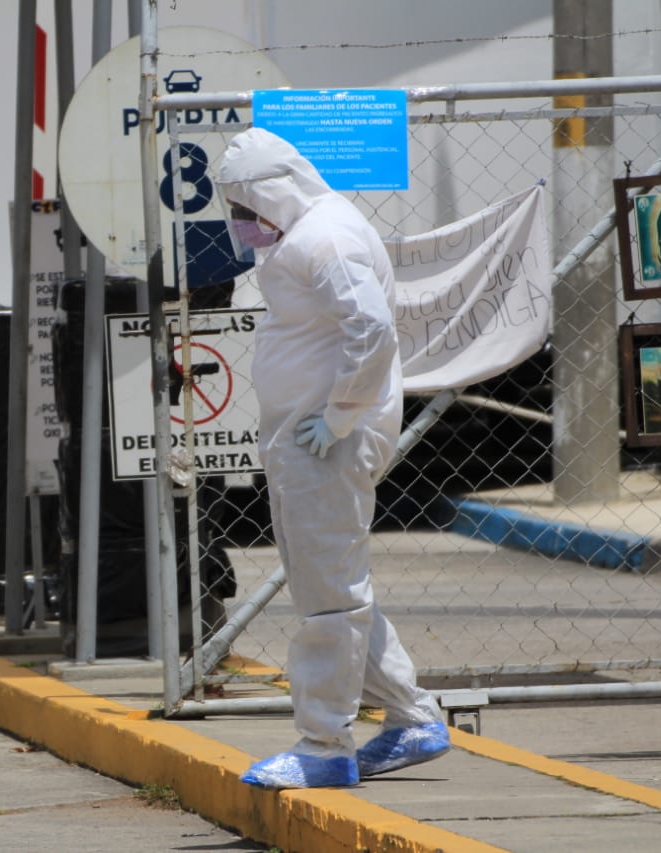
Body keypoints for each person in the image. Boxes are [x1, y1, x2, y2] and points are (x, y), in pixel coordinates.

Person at [216, 127, 449, 789]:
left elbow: (371, 328)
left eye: (244, 205)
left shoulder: (326, 237)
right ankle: (412, 718)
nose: (240, 222)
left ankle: (324, 744)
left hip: (325, 439)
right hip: (312, 435)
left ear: (274, 190)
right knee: (333, 588)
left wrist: (340, 414)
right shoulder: (308, 232)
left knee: (329, 601)